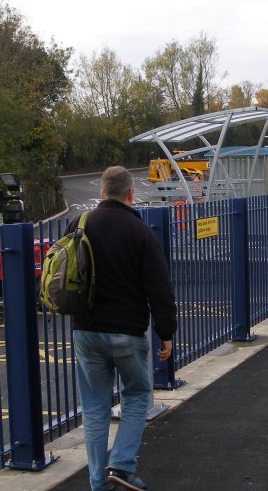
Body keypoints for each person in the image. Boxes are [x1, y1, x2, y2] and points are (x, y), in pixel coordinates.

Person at [69, 166, 178, 491]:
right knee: (136, 394)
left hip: (85, 331)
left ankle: (98, 483)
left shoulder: (79, 224)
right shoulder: (139, 230)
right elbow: (159, 288)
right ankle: (123, 464)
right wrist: (166, 331)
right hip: (127, 332)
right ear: (130, 194)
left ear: (102, 192)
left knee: (94, 406)